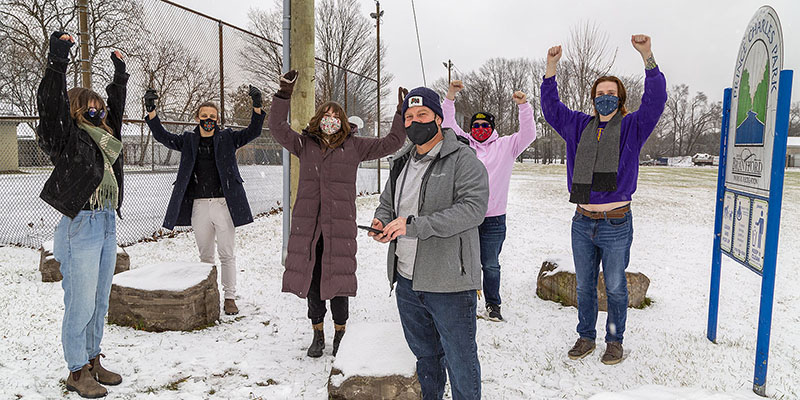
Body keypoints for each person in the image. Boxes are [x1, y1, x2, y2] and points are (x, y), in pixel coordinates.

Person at [540, 34, 666, 365]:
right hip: (582, 222)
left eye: (611, 94)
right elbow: (551, 108)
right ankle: (585, 337)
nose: (605, 98)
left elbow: (655, 101)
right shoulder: (577, 125)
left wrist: (648, 57)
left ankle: (614, 340)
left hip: (616, 223)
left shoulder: (633, 126)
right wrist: (551, 68)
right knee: (584, 287)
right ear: (593, 99)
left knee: (615, 288)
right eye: (600, 94)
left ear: (620, 98)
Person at [268, 70, 407, 358]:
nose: (330, 120)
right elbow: (278, 128)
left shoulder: (354, 146)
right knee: (314, 283)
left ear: (343, 122)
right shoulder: (305, 144)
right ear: (318, 120)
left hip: (339, 227)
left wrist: (400, 112)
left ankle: (341, 333)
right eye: (325, 115)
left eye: (335, 115)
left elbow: (393, 142)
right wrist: (284, 93)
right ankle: (317, 333)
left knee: (339, 282)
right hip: (309, 228)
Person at [371, 87, 489, 399]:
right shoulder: (401, 162)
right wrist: (381, 221)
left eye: (422, 115)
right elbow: (387, 204)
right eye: (408, 117)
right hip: (408, 281)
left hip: (449, 281)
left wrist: (414, 226)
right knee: (426, 358)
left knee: (460, 359)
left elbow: (473, 209)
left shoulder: (463, 158)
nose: (414, 122)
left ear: (438, 118)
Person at [37, 31, 128, 398]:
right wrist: (58, 59)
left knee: (99, 300)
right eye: (89, 106)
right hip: (82, 225)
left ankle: (92, 359)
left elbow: (116, 110)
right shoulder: (67, 137)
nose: (98, 110)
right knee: (81, 301)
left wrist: (119, 77)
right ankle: (76, 371)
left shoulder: (106, 137)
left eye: (100, 107)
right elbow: (50, 106)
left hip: (106, 222)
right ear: (75, 109)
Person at [143, 84, 265, 316]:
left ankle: (229, 297)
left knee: (227, 253)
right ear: (197, 118)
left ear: (218, 119)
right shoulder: (188, 140)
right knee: (205, 255)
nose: (208, 119)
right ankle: (209, 295)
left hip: (223, 204)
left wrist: (257, 106)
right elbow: (162, 136)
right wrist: (152, 111)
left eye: (212, 116)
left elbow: (252, 132)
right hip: (199, 206)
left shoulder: (228, 138)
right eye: (204, 116)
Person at [443, 80, 537, 322]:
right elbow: (447, 124)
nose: (480, 128)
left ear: (492, 128)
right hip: (465, 216)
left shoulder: (506, 146)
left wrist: (523, 106)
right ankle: (466, 303)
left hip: (494, 218)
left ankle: (493, 306)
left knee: (490, 264)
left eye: (485, 125)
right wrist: (451, 95)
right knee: (464, 262)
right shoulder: (464, 145)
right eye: (476, 125)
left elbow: (528, 134)